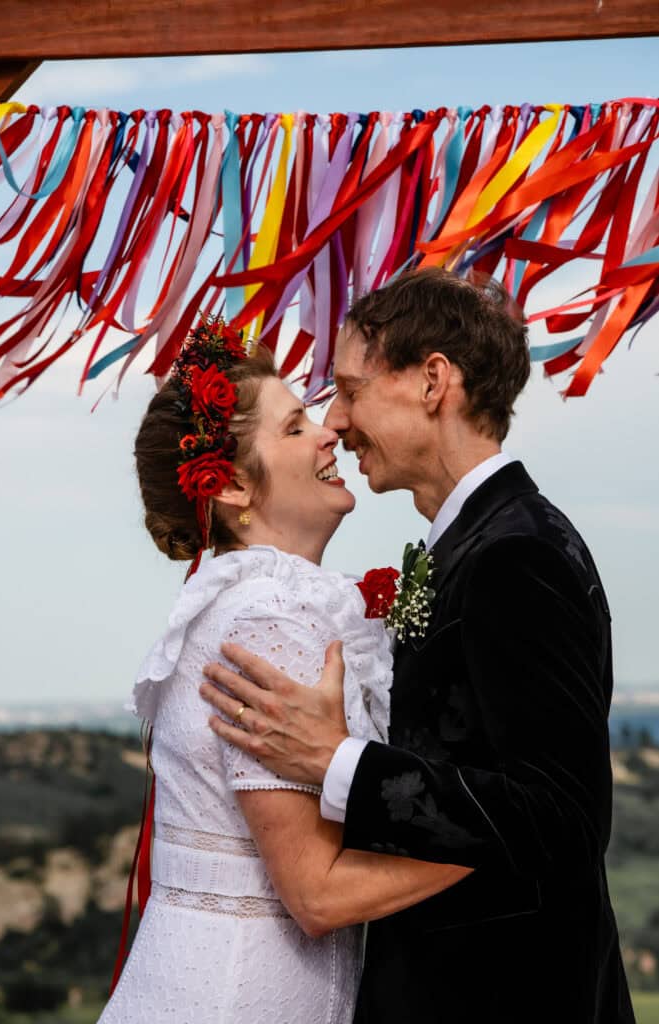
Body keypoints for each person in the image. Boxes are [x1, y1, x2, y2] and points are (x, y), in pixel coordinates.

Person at [201, 269, 636, 1024]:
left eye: (350, 388)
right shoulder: (483, 544)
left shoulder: (514, 556)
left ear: (433, 381)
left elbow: (563, 820)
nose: (334, 420)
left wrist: (332, 760)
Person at [97, 318, 471, 1024]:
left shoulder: (258, 603)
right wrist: (514, 842)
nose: (329, 433)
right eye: (296, 428)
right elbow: (316, 893)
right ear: (233, 487)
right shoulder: (270, 618)